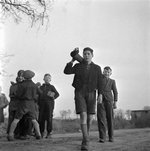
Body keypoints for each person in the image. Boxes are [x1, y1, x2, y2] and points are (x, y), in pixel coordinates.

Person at [64, 47, 102, 150]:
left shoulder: (97, 68)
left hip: (91, 92)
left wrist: (100, 94)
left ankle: (86, 136)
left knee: (89, 117)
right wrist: (72, 59)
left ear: (92, 55)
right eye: (84, 54)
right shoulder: (78, 65)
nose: (86, 55)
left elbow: (100, 82)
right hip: (79, 91)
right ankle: (86, 141)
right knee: (83, 115)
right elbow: (66, 71)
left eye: (88, 54)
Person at [7, 70, 41, 141]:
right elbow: (40, 93)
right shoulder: (34, 85)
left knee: (16, 119)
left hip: (23, 103)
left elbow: (18, 95)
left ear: (24, 76)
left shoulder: (21, 85)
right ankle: (38, 134)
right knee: (34, 120)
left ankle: (10, 135)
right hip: (31, 104)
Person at [97, 66, 118, 143]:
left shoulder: (112, 81)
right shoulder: (99, 80)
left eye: (108, 72)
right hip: (100, 100)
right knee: (101, 118)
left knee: (110, 119)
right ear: (103, 72)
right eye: (105, 71)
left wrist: (115, 102)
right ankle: (102, 137)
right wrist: (100, 95)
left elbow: (115, 92)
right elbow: (98, 88)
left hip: (109, 100)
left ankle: (111, 137)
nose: (107, 73)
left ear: (111, 73)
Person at [38, 74, 59, 138]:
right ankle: (41, 132)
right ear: (43, 79)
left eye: (49, 78)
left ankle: (49, 132)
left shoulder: (52, 87)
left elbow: (57, 94)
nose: (47, 79)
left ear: (50, 79)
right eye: (46, 77)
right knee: (41, 118)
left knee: (49, 118)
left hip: (49, 104)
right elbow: (38, 95)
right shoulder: (41, 87)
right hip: (41, 105)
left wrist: (51, 95)